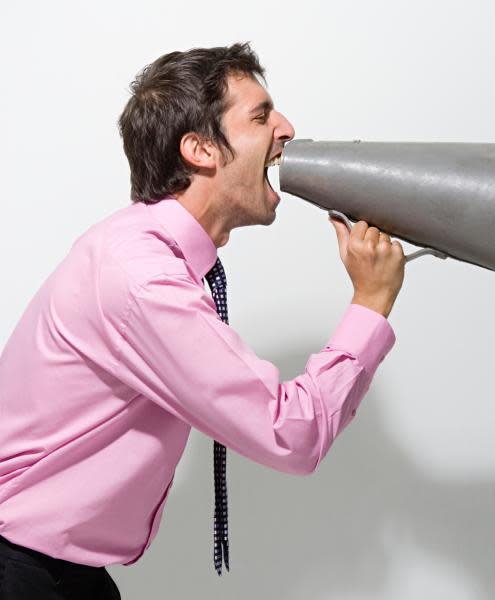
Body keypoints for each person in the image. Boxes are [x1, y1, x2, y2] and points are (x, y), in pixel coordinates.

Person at [0, 43, 405, 599]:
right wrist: (371, 302)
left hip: (58, 571)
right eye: (261, 116)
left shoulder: (148, 256)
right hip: (20, 569)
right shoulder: (144, 279)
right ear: (200, 150)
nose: (286, 128)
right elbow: (291, 433)